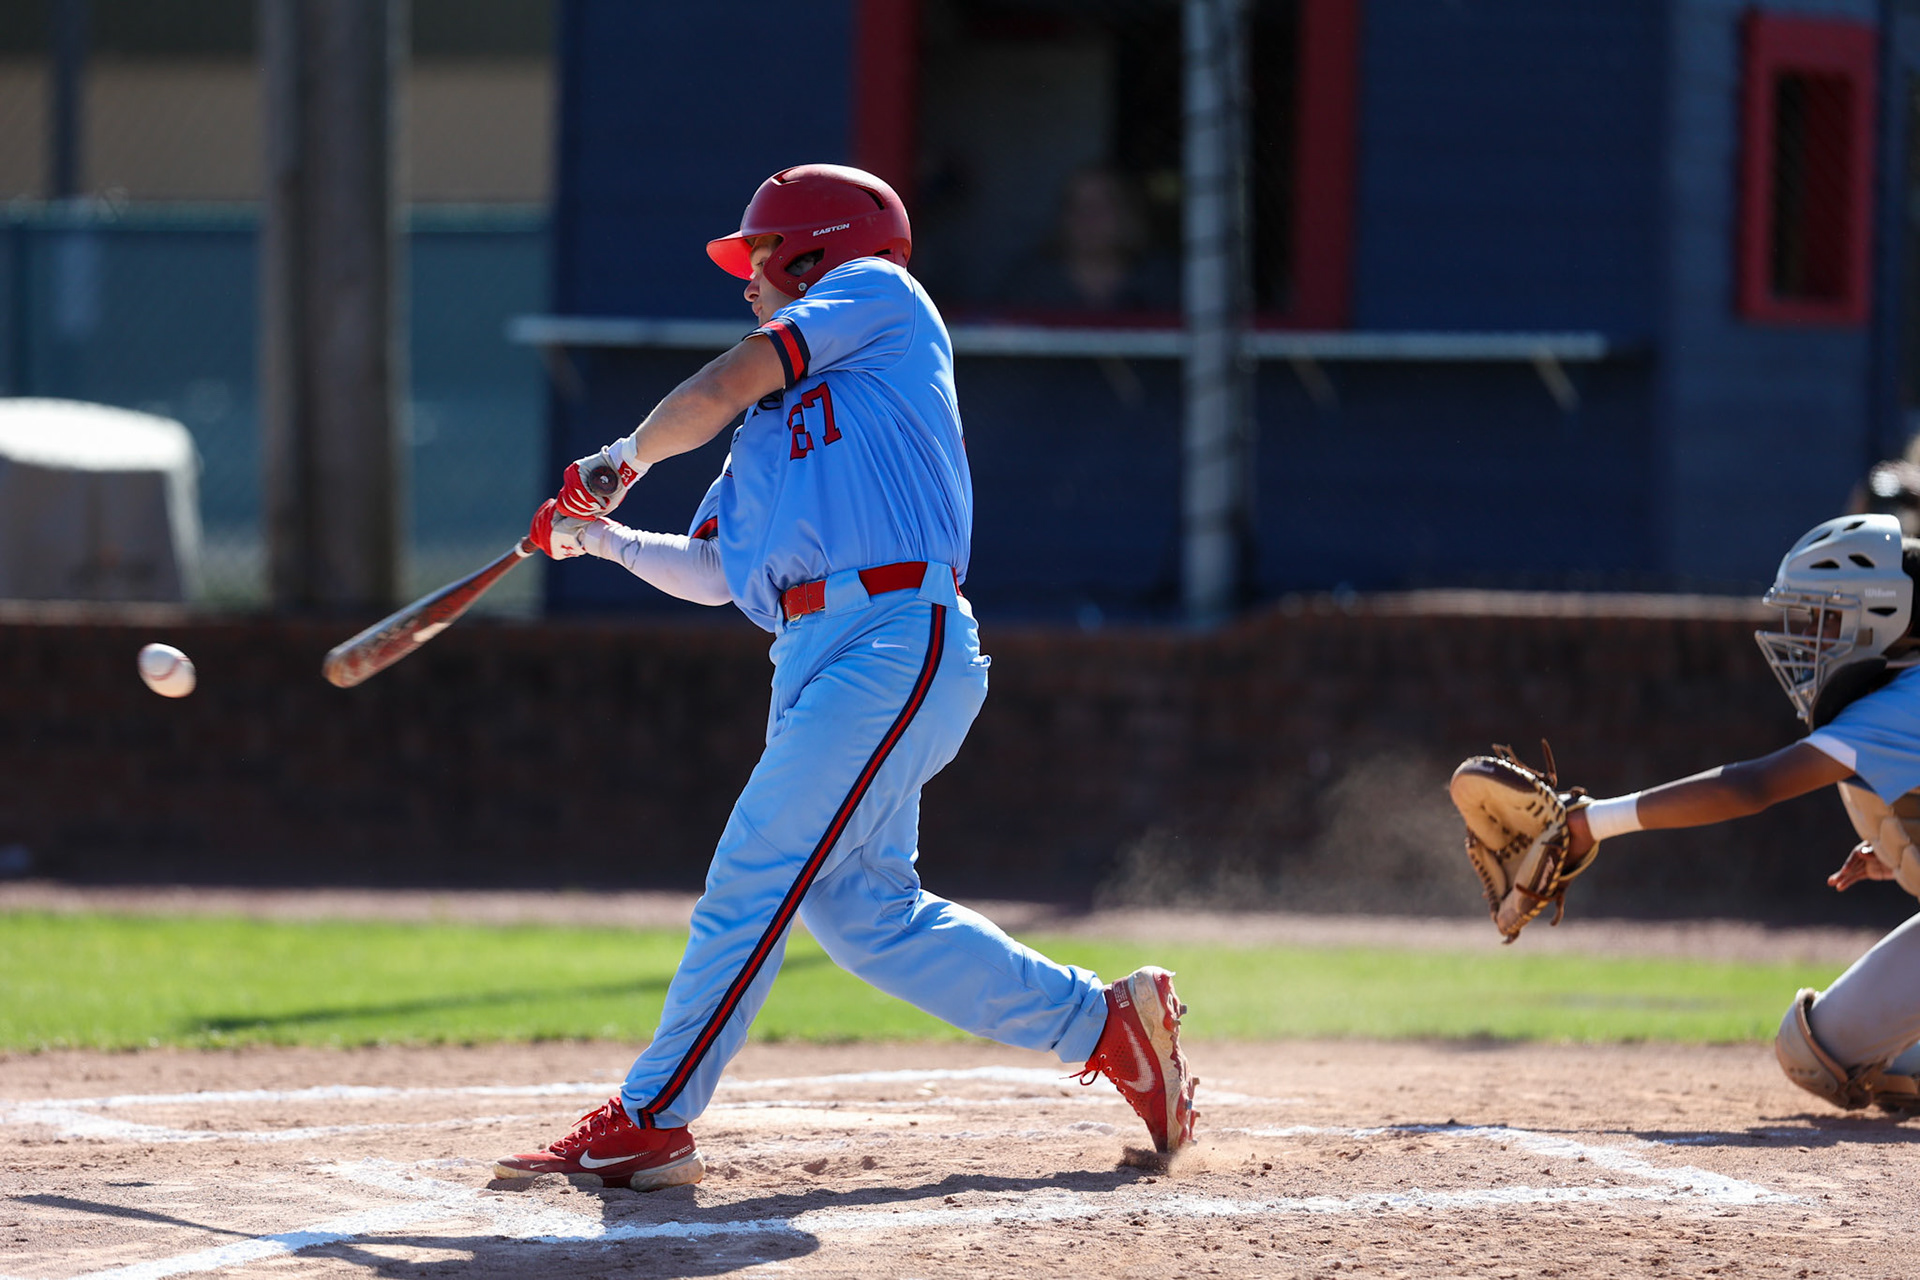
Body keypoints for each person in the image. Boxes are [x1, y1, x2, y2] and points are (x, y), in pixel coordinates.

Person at [489, 163, 1197, 1192]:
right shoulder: (770, 430)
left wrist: (619, 458)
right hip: (815, 655)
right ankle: (1106, 1022)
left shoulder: (880, 295)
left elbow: (726, 375)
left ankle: (652, 1116)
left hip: (893, 635)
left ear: (819, 247)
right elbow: (717, 571)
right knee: (864, 912)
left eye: (764, 256)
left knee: (755, 866)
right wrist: (602, 541)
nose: (752, 279)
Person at [1560, 512, 1920, 1115]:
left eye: (1827, 616)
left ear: (1882, 615)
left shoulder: (1902, 703)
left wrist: (1590, 822)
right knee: (1825, 1050)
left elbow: (1752, 786)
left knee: (1823, 1052)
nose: (1811, 636)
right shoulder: (1898, 693)